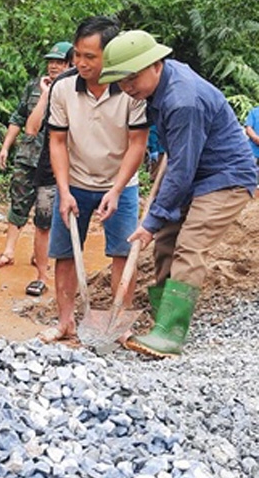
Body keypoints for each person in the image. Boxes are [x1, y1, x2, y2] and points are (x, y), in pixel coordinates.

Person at [100, 30, 257, 357]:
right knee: (166, 240)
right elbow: (179, 162)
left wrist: (151, 219)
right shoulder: (159, 87)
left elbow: (182, 169)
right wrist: (157, 222)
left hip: (225, 176)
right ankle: (163, 318)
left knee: (190, 245)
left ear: (156, 64)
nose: (128, 87)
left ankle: (171, 334)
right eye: (122, 80)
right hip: (194, 170)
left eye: (133, 78)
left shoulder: (182, 99)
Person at [41, 16, 148, 343]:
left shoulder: (130, 90)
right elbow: (57, 142)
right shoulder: (63, 88)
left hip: (121, 185)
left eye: (91, 56)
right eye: (77, 55)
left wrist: (116, 189)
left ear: (109, 56)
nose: (81, 63)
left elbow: (137, 143)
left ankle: (120, 325)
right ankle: (65, 323)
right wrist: (63, 190)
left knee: (121, 253)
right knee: (64, 253)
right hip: (74, 184)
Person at [0, 41, 72, 297]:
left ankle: (43, 267)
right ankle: (9, 251)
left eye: (59, 62)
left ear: (70, 64)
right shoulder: (35, 88)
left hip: (55, 165)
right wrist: (6, 146)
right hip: (29, 158)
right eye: (51, 61)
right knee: (18, 204)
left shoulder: (74, 91)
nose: (53, 66)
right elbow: (23, 122)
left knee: (45, 218)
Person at [244, 106, 259, 173]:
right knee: (249, 176)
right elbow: (248, 129)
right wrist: (256, 139)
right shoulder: (254, 111)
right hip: (253, 152)